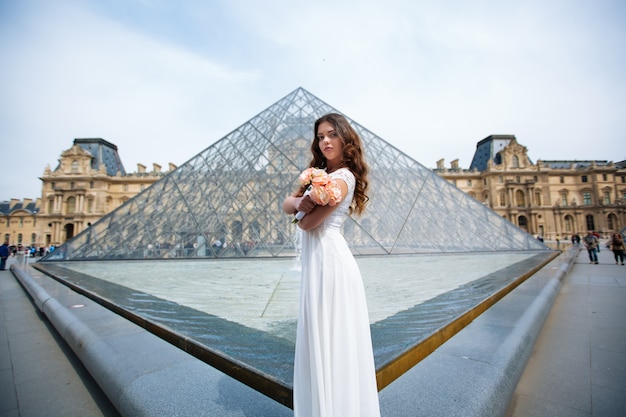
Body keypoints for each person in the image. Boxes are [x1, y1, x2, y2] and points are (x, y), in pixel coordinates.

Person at [282, 113, 380, 417]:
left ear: (345, 139)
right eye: (321, 136)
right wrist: (300, 202)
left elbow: (308, 225)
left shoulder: (341, 179)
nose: (325, 141)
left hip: (330, 265)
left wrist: (302, 207)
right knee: (324, 340)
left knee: (331, 342)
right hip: (321, 262)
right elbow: (288, 203)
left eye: (332, 135)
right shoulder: (322, 175)